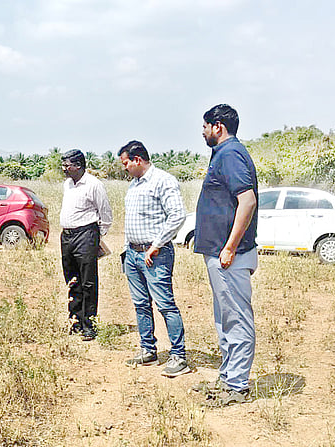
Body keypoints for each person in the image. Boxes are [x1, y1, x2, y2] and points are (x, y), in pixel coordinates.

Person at [194, 104, 259, 405]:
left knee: (237, 319)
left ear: (217, 126)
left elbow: (247, 201)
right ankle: (228, 377)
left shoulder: (231, 154)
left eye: (205, 126)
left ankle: (237, 386)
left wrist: (230, 247)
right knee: (225, 319)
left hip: (229, 256)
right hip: (221, 254)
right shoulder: (223, 153)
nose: (203, 131)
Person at [118, 140, 191, 377]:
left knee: (165, 305)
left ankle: (178, 356)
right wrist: (128, 250)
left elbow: (177, 215)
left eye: (126, 163)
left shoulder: (163, 180)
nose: (125, 168)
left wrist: (156, 245)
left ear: (138, 160)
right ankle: (148, 350)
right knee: (141, 304)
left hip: (155, 255)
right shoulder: (134, 185)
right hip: (133, 254)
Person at [60, 149, 113, 341]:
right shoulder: (67, 184)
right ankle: (75, 322)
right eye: (63, 165)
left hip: (86, 235)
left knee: (88, 282)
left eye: (67, 165)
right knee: (72, 280)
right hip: (67, 236)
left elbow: (105, 214)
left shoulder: (94, 185)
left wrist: (96, 237)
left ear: (78, 165)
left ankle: (89, 326)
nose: (64, 168)